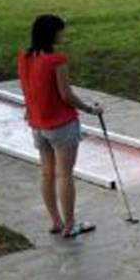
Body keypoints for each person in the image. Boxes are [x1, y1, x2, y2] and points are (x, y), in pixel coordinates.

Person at [17, 14, 104, 238]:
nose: (63, 34)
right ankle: (70, 224)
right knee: (65, 174)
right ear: (52, 33)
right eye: (61, 31)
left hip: (37, 123)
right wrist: (89, 109)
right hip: (61, 124)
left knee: (47, 173)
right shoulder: (56, 60)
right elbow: (66, 95)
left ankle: (56, 221)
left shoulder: (24, 57)